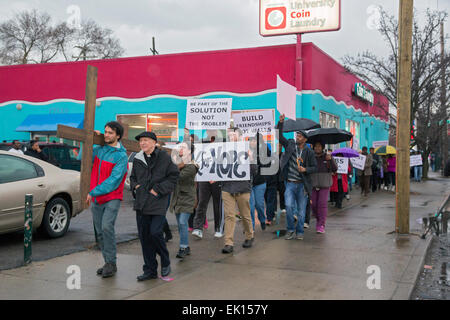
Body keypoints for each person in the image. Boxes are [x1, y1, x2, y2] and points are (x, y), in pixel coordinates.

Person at [130, 131, 179, 281]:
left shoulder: (164, 157)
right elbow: (132, 178)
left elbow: (174, 176)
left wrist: (158, 189)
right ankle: (150, 270)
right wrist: (136, 186)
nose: (142, 143)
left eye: (146, 140)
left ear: (154, 142)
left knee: (155, 232)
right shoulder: (138, 158)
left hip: (158, 200)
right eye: (141, 141)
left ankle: (165, 259)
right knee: (145, 238)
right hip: (141, 202)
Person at [87, 121, 128, 278]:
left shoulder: (121, 156)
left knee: (106, 227)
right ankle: (108, 262)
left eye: (110, 132)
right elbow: (81, 157)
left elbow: (114, 180)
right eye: (105, 132)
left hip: (112, 197)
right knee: (99, 232)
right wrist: (89, 139)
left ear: (118, 135)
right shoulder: (100, 150)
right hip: (97, 198)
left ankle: (111, 263)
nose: (107, 135)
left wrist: (93, 192)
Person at [277, 114, 317, 240]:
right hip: (289, 183)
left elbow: (314, 167)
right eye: (297, 135)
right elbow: (279, 136)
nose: (297, 137)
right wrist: (281, 123)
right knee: (288, 207)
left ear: (305, 139)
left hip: (302, 185)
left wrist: (305, 169)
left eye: (300, 136)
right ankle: (290, 229)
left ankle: (299, 231)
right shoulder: (290, 145)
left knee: (301, 211)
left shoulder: (309, 152)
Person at [221, 127, 256, 254]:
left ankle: (249, 236)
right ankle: (228, 243)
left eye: (233, 135)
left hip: (242, 188)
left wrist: (251, 159)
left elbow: (254, 171)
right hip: (227, 188)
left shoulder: (247, 150)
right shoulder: (223, 150)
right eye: (229, 136)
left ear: (240, 136)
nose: (231, 137)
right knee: (229, 216)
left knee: (245, 215)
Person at [192, 129, 224, 239]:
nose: (211, 131)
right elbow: (197, 158)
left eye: (213, 129)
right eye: (208, 129)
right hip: (204, 177)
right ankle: (198, 228)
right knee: (202, 202)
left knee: (218, 204)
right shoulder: (201, 143)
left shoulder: (224, 142)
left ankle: (218, 228)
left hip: (218, 178)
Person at [169, 142, 199, 260]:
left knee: (182, 222)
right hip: (177, 197)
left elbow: (178, 176)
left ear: (189, 151)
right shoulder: (177, 162)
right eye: (179, 147)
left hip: (187, 197)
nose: (180, 149)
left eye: (183, 147)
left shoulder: (192, 166)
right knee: (181, 224)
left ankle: (183, 247)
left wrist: (172, 168)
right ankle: (185, 246)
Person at [310, 141, 337, 233]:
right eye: (316, 146)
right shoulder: (310, 156)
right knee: (313, 204)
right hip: (313, 184)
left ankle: (321, 224)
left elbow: (335, 169)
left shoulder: (327, 156)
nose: (317, 148)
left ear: (322, 147)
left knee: (322, 204)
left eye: (319, 146)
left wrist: (330, 160)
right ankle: (318, 219)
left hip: (325, 184)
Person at [249, 133, 270, 231]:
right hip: (248, 184)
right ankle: (251, 227)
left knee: (259, 204)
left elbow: (269, 160)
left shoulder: (263, 150)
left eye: (254, 140)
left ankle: (262, 219)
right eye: (251, 140)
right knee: (251, 206)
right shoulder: (245, 151)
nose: (252, 142)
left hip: (260, 182)